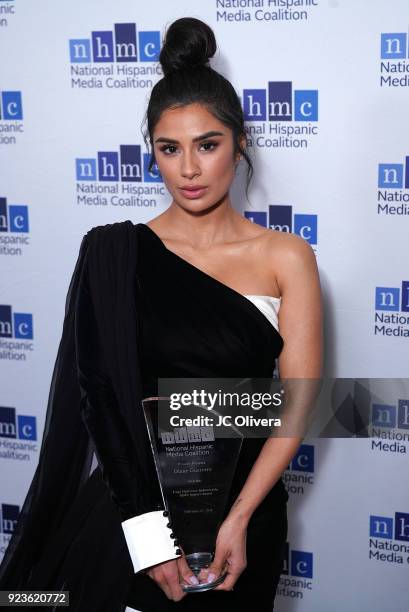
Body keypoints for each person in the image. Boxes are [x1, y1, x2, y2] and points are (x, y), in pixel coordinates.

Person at [0, 17, 322, 612]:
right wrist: (149, 540)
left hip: (246, 518)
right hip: (138, 515)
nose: (190, 170)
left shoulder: (286, 255)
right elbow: (101, 400)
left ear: (240, 142)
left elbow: (299, 402)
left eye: (208, 145)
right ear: (152, 152)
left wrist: (242, 517)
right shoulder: (113, 253)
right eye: (169, 149)